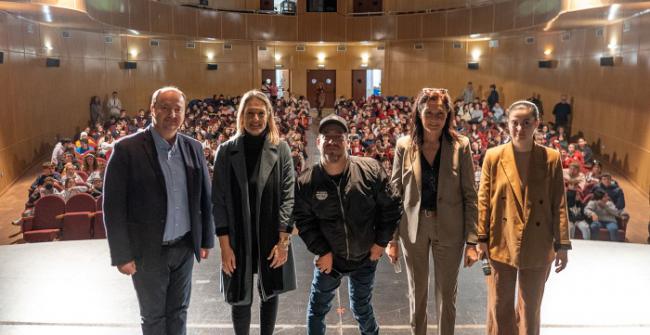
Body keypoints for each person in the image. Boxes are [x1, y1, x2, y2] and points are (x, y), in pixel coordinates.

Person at [103, 86, 215, 335]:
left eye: (178, 109)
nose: (172, 114)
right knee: (154, 317)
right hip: (147, 252)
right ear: (152, 110)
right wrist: (122, 255)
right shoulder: (126, 150)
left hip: (184, 248)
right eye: (165, 107)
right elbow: (113, 208)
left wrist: (205, 239)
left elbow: (204, 198)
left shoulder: (194, 148)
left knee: (179, 312)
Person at [294, 114, 402, 335]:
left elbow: (390, 208)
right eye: (327, 137)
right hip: (329, 260)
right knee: (317, 310)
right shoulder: (306, 182)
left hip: (365, 257)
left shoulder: (370, 170)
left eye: (338, 137)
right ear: (318, 142)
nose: (332, 141)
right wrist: (321, 250)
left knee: (361, 308)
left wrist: (381, 243)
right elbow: (305, 222)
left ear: (347, 141)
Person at [387, 88, 479, 335]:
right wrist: (392, 239)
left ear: (448, 114)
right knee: (417, 294)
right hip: (413, 228)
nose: (434, 119)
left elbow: (471, 195)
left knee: (447, 295)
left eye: (440, 113)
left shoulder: (461, 145)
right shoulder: (404, 146)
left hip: (450, 229)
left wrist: (472, 242)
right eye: (429, 113)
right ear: (419, 112)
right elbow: (394, 194)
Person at [477, 100, 571, 335]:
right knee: (500, 306)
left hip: (538, 243)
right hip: (500, 241)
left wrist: (562, 245)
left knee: (530, 309)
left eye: (526, 123)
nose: (520, 129)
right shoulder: (493, 156)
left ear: (536, 124)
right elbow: (484, 200)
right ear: (507, 124)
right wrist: (480, 239)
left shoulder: (551, 158)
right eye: (515, 123)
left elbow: (559, 202)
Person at [212, 89, 297, 335]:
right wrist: (225, 247)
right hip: (237, 237)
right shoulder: (226, 152)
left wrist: (283, 242)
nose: (256, 119)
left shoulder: (280, 150)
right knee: (240, 296)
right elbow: (219, 201)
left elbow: (288, 196)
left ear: (269, 116)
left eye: (261, 113)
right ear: (241, 117)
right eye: (250, 113)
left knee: (269, 293)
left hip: (271, 237)